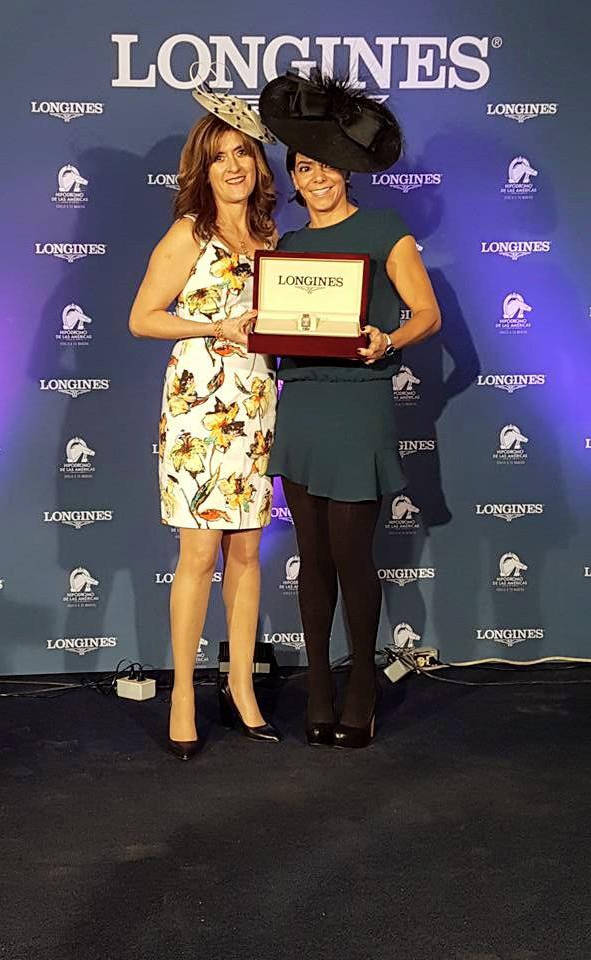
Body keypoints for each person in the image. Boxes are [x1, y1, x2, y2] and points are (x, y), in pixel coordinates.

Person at [259, 72, 442, 748]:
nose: (318, 178)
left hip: (359, 403)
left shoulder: (384, 229)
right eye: (305, 168)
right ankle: (318, 689)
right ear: (293, 178)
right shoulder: (284, 248)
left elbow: (427, 314)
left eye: (328, 167)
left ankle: (361, 688)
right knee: (312, 558)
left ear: (347, 171)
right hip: (303, 402)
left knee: (352, 556)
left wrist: (387, 340)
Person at [129, 86, 280, 760]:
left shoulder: (272, 237)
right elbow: (142, 319)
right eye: (220, 157)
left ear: (258, 162)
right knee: (199, 554)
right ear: (204, 168)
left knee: (246, 551)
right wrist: (214, 326)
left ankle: (241, 687)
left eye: (243, 152)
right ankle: (184, 694)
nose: (234, 166)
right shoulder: (190, 232)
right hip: (198, 410)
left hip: (255, 406)